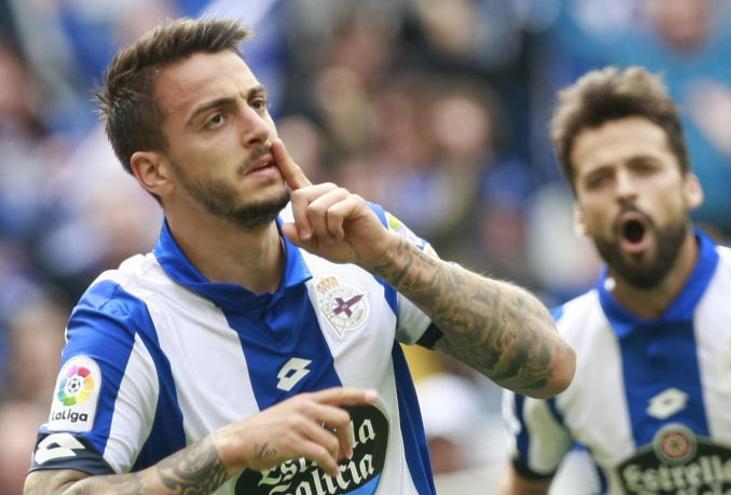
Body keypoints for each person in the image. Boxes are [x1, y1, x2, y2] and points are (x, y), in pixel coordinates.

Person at [23, 18, 575, 495]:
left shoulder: (363, 246)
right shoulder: (127, 318)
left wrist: (396, 259)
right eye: (216, 119)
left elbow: (551, 365)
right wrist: (230, 449)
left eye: (257, 104)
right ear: (153, 171)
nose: (258, 130)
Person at [499, 66, 731, 495]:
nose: (625, 190)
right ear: (580, 216)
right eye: (599, 179)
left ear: (689, 188)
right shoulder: (556, 350)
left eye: (644, 167)